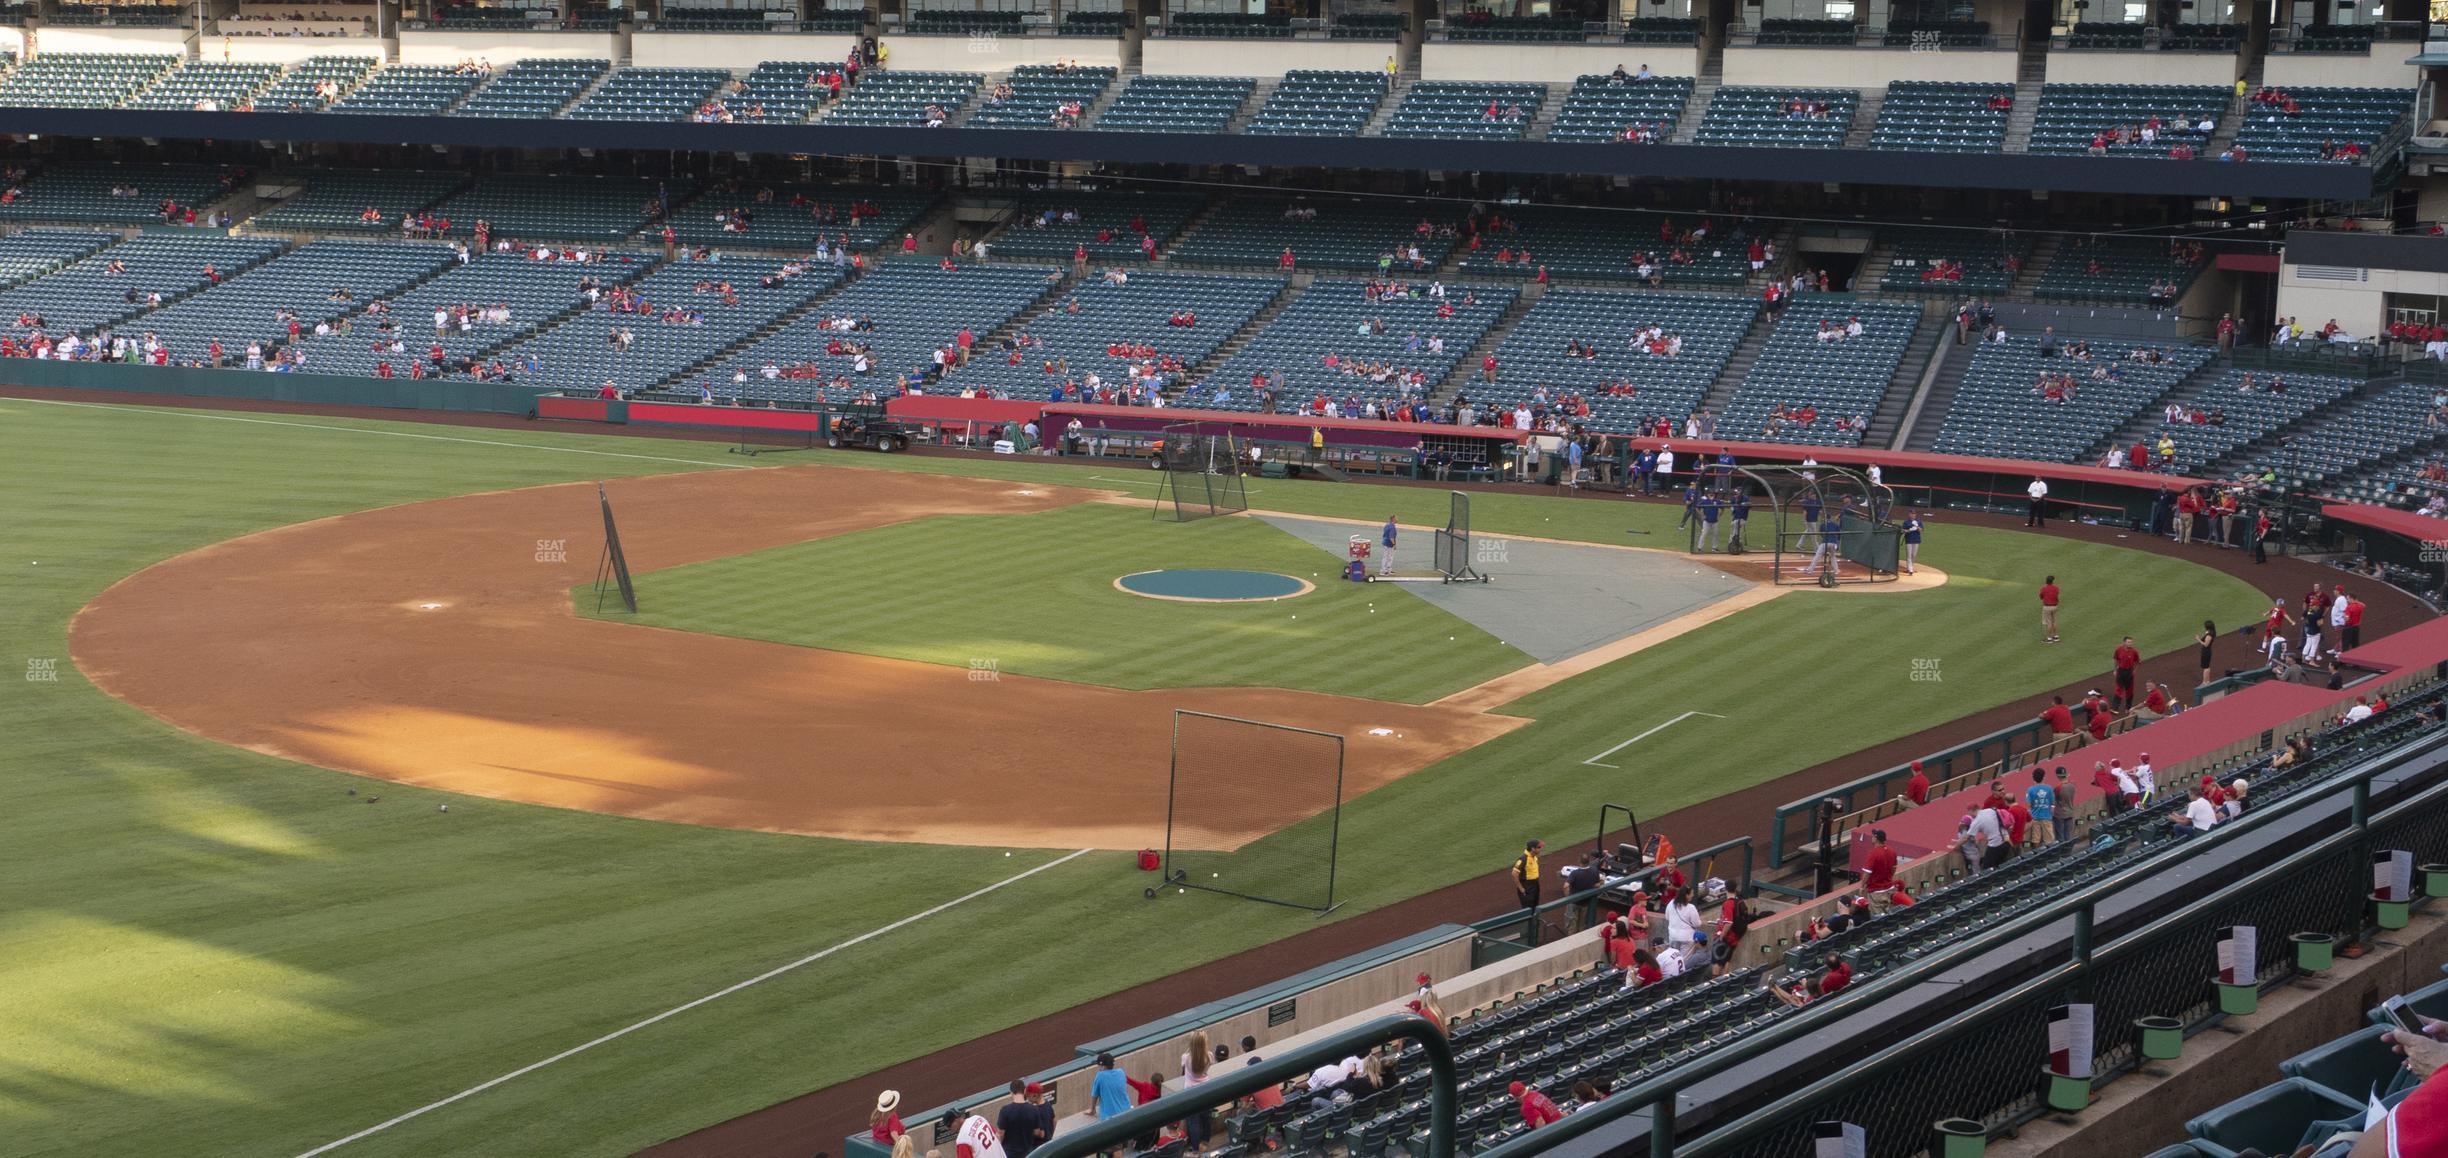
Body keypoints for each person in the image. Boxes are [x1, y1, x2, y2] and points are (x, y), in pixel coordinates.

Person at [1770, 952, 1853, 1007]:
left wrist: (1806, 986)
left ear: (1828, 966)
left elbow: (1820, 992)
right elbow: (1818, 990)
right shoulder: (1846, 966)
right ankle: (1774, 988)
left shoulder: (1831, 977)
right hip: (1833, 995)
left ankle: (1774, 988)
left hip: (1818, 1003)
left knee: (1791, 999)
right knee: (1793, 997)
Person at [998, 1082, 1048, 1158]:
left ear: (1011, 1092)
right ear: (1024, 1091)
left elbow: (1000, 1134)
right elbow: (1037, 1132)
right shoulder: (1034, 1109)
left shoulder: (1005, 1110)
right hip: (1028, 1153)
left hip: (1010, 1153)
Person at [1861, 827, 1898, 912]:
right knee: (1889, 916)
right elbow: (1894, 868)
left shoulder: (1873, 853)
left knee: (1878, 919)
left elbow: (1867, 873)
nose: (1872, 837)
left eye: (1873, 836)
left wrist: (1862, 887)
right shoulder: (1892, 850)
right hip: (1890, 889)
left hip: (1876, 892)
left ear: (1876, 839)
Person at [1091, 1053, 1132, 1126]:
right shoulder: (1121, 1072)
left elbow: (1094, 1096)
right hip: (1127, 1112)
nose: (1098, 1068)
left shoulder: (1100, 1076)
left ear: (1102, 1066)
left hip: (1110, 1119)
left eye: (1099, 1065)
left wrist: (1093, 1109)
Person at [2024, 766, 2057, 846]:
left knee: (2036, 839)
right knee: (2049, 840)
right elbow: (2053, 802)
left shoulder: (2030, 790)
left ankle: (2036, 855)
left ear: (2033, 778)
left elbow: (2028, 805)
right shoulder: (2049, 788)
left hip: (2035, 817)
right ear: (2044, 777)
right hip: (2047, 817)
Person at [873, 1091, 913, 1158]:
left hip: (878, 1142)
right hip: (889, 1145)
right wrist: (901, 1145)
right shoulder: (892, 1116)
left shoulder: (877, 1113)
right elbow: (893, 1133)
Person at [2112, 635, 2141, 710]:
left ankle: (2128, 707)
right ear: (2124, 642)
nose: (2130, 644)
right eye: (2128, 642)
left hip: (2129, 672)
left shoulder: (2134, 651)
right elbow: (2115, 659)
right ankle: (2115, 708)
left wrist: (2134, 671)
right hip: (2120, 671)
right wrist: (2115, 670)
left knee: (2129, 690)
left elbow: (2138, 662)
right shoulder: (2119, 649)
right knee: (2119, 689)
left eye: (2131, 642)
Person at [2038, 574, 2061, 643]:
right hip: (2055, 606)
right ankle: (2056, 636)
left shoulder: (2044, 588)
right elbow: (2057, 594)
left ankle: (2049, 638)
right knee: (2054, 621)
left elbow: (2041, 597)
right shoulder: (2056, 588)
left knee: (2049, 623)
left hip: (2047, 607)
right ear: (2052, 581)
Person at [2197, 619, 2218, 686]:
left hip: (2206, 651)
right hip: (2207, 651)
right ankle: (2207, 681)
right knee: (2207, 667)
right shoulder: (2210, 632)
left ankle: (2204, 682)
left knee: (2206, 667)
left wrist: (2198, 639)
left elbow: (2206, 644)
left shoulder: (2209, 635)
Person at [1901, 510, 1923, 574]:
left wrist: (1917, 526)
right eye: (1912, 513)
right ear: (1909, 514)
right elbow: (1902, 530)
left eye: (1914, 514)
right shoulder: (1906, 522)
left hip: (1916, 540)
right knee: (1909, 555)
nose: (1913, 515)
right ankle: (1910, 570)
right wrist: (1907, 530)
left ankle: (1910, 568)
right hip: (1909, 540)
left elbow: (1921, 530)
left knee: (1914, 555)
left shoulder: (1918, 521)